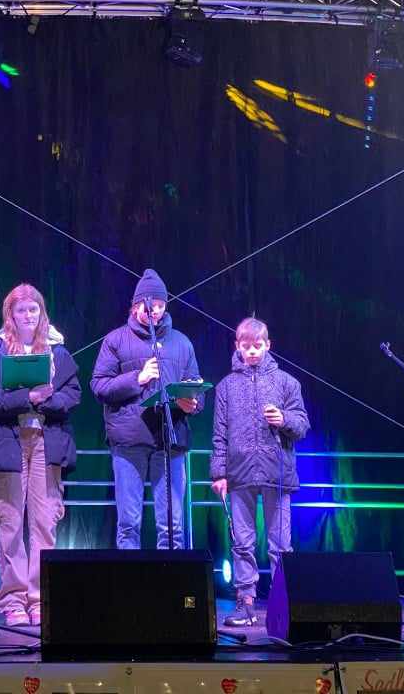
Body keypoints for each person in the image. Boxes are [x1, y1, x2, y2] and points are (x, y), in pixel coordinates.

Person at [0, 283, 80, 628]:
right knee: (9, 520)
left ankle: (39, 597)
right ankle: (13, 599)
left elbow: (73, 395)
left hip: (46, 441)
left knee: (44, 521)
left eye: (33, 309)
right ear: (10, 314)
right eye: (21, 310)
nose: (28, 315)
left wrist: (47, 400)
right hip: (8, 439)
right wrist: (27, 398)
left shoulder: (57, 351)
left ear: (41, 312)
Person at [91, 267, 202, 550]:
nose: (154, 311)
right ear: (135, 305)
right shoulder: (115, 340)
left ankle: (172, 577)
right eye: (148, 305)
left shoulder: (181, 342)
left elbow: (195, 385)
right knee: (129, 523)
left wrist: (192, 402)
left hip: (170, 442)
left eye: (160, 305)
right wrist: (137, 379)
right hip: (129, 442)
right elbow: (99, 386)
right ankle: (132, 578)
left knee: (173, 526)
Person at [211, 317, 309, 626]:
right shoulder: (226, 386)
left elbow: (302, 425)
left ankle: (284, 603)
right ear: (237, 346)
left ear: (268, 345)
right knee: (242, 542)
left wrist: (284, 419)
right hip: (239, 474)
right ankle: (246, 603)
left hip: (276, 472)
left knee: (280, 544)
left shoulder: (287, 382)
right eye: (246, 346)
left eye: (257, 345)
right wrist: (219, 474)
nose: (252, 351)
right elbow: (219, 434)